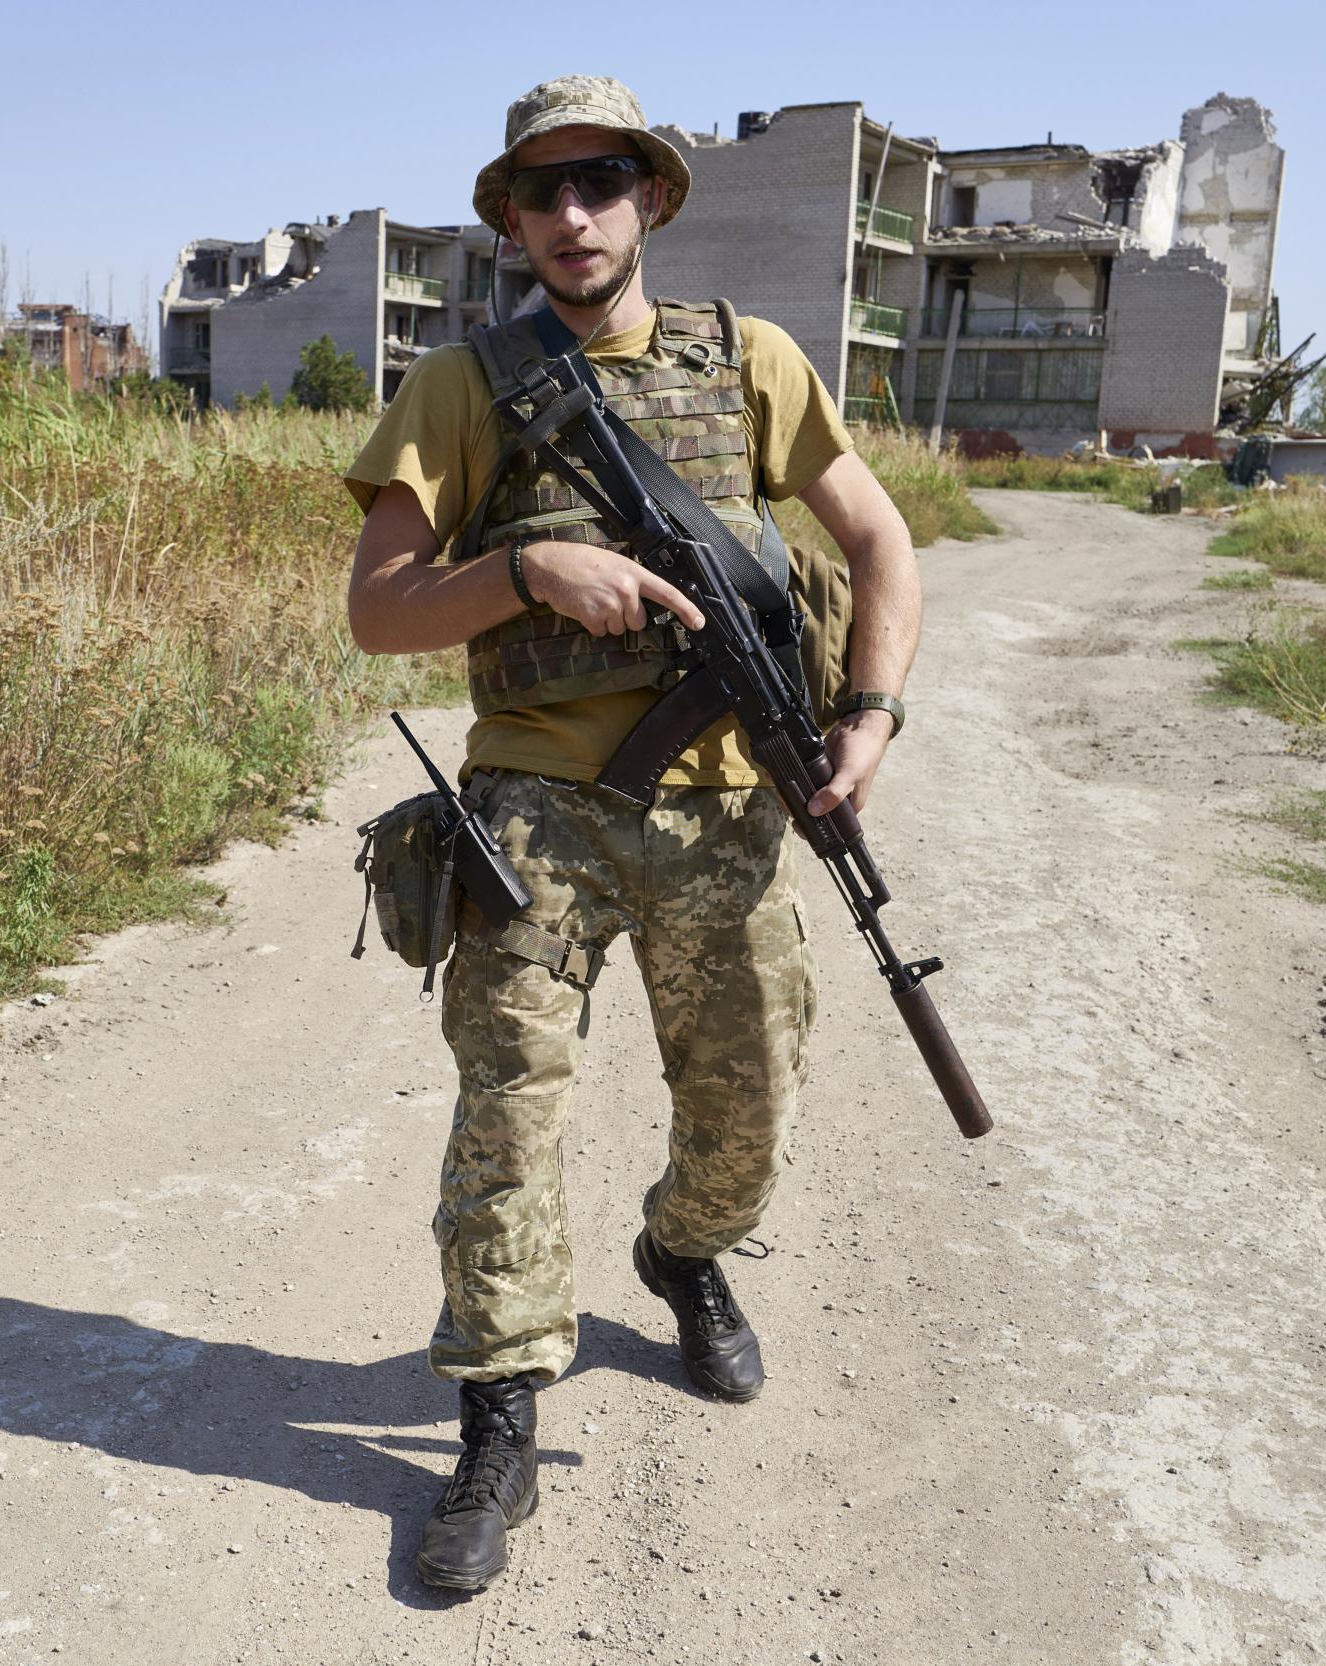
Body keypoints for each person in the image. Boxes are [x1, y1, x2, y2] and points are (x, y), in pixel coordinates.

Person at [342, 74, 925, 1591]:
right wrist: (533, 571)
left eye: (601, 182)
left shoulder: (752, 362)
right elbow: (379, 609)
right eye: (542, 192)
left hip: (727, 804)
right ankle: (497, 1407)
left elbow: (878, 539)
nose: (573, 213)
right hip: (534, 806)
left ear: (653, 198)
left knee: (753, 1108)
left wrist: (866, 716)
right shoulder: (468, 386)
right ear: (512, 217)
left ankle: (682, 1251)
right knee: (510, 1105)